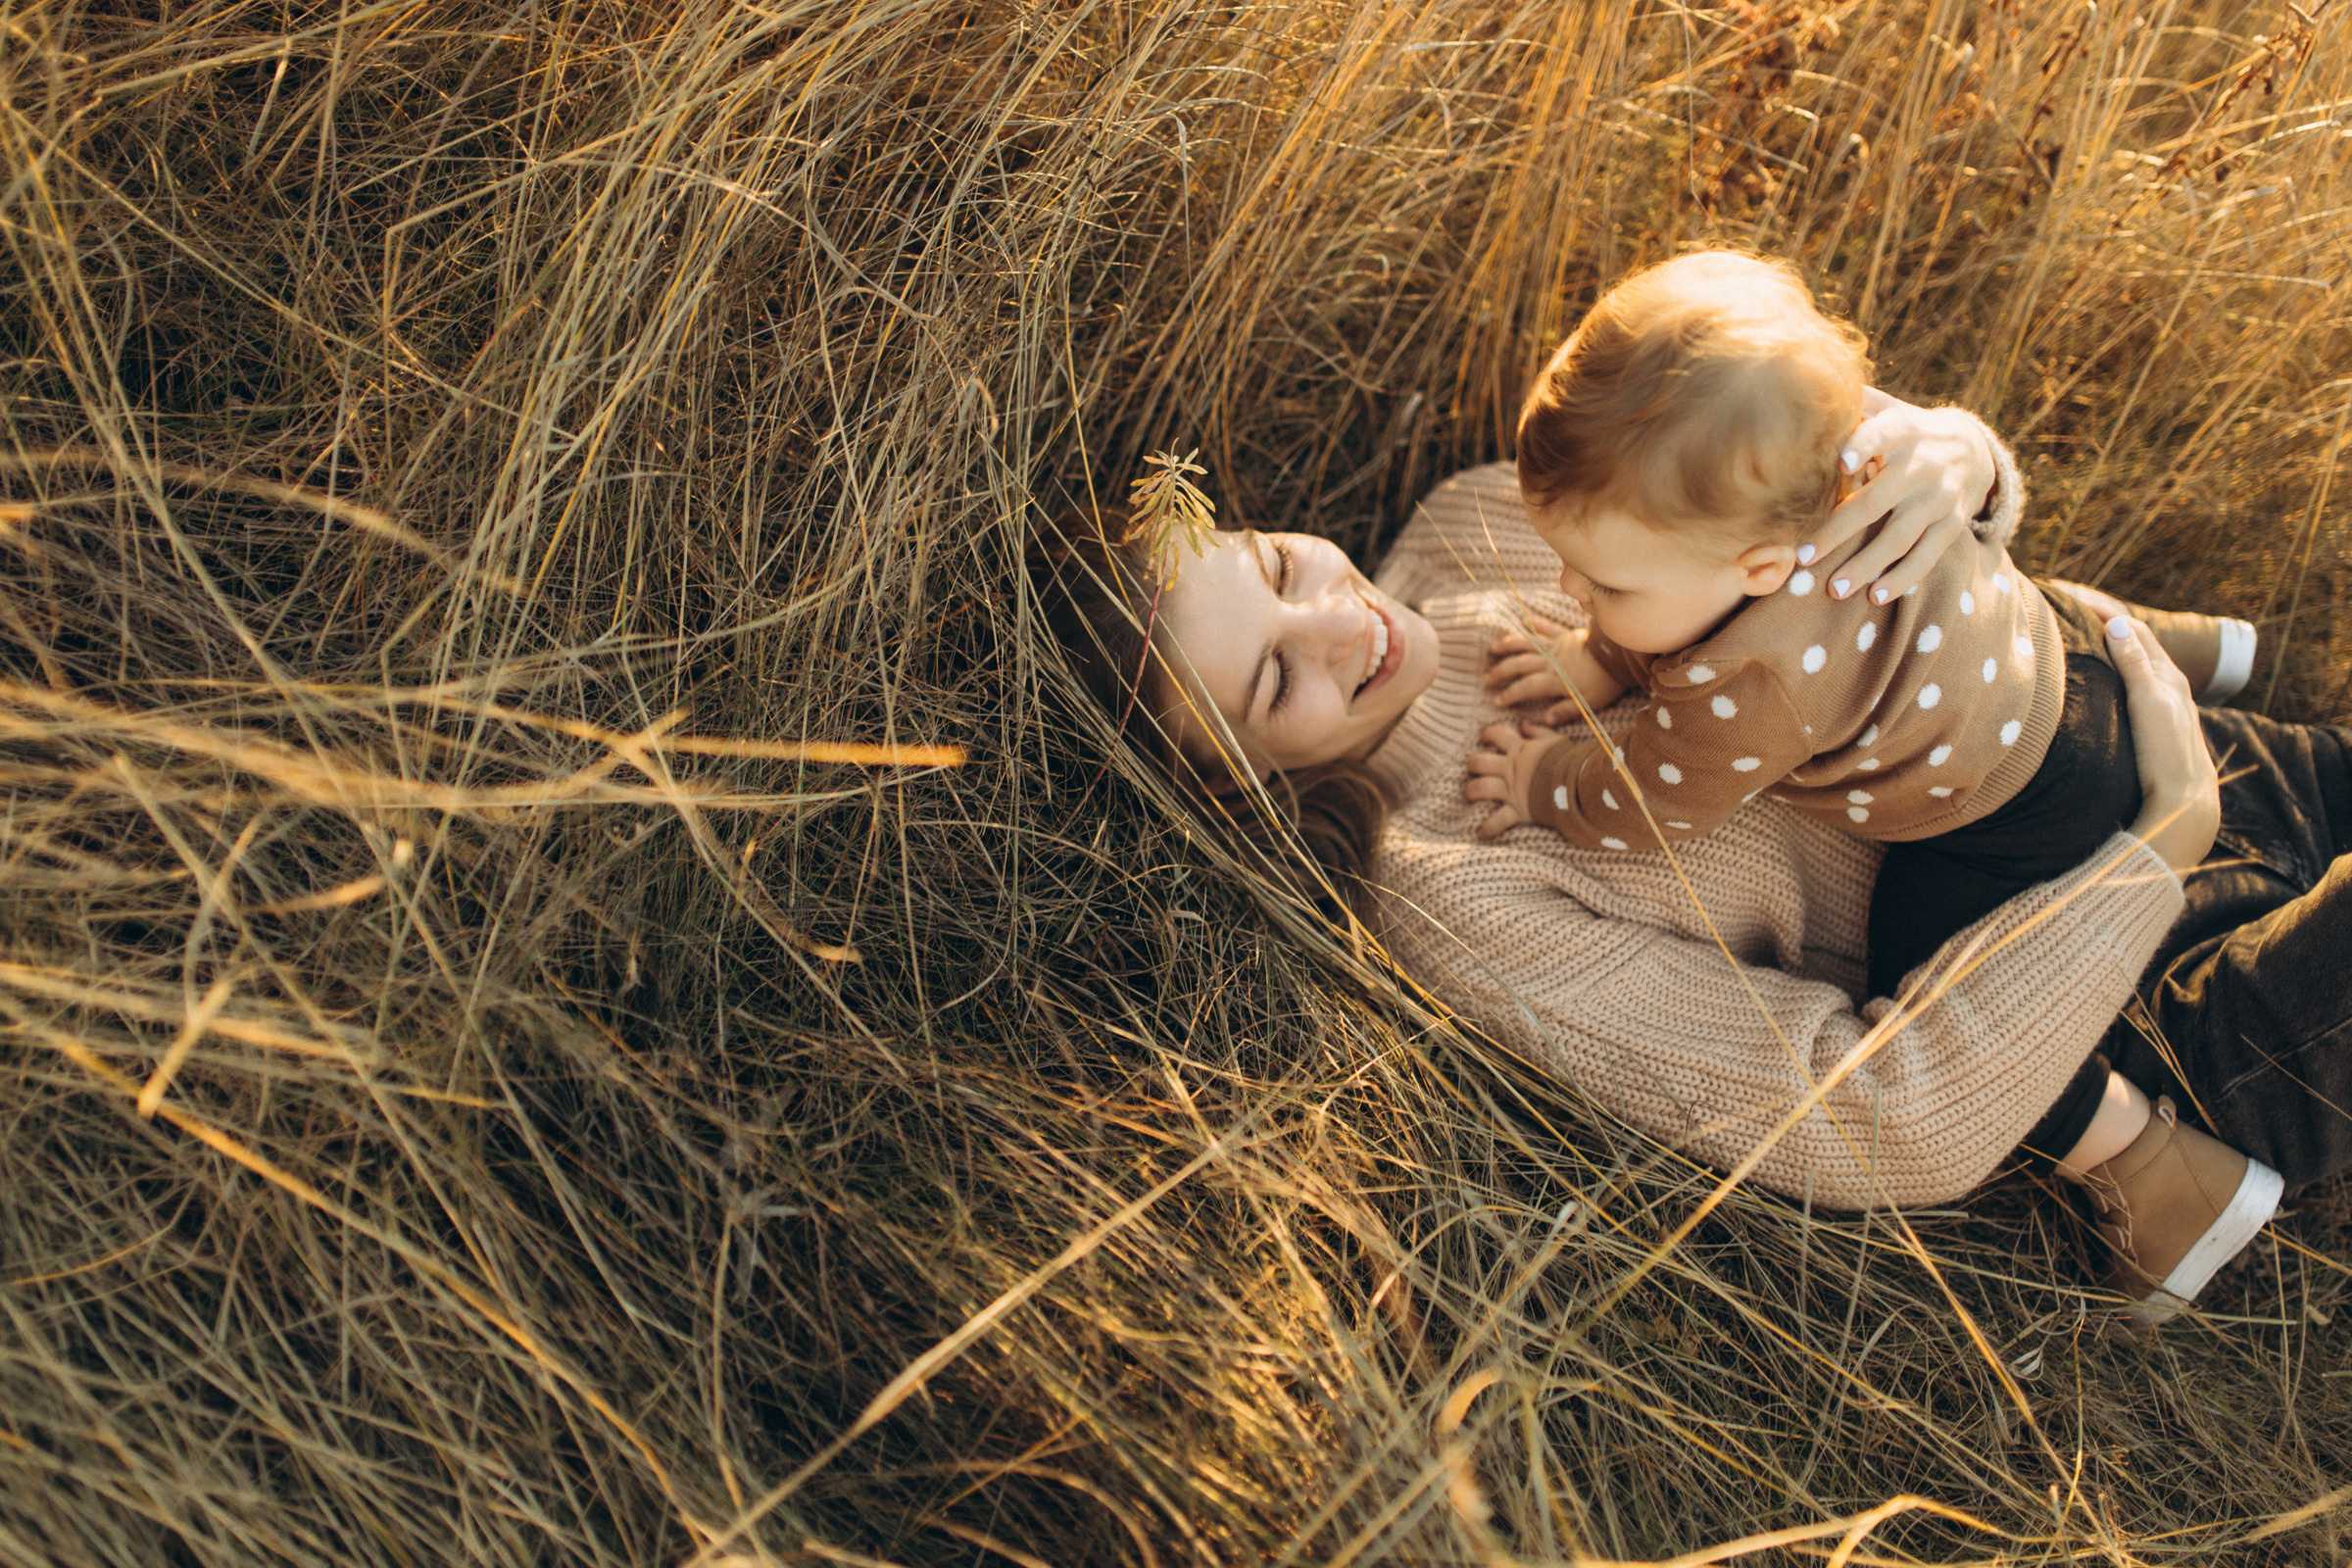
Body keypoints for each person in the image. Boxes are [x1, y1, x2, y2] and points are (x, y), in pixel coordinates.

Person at [1033, 394, 2350, 1323]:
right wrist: (2154, 854)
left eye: (1276, 564)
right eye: (1275, 680)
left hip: (2128, 746)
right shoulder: (1451, 891)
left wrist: (1952, 463)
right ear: (1247, 785)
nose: (1335, 623)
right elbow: (1882, 1124)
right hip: (2141, 1005)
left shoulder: (1476, 520)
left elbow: (1838, 556)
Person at [1453, 252, 2278, 1316]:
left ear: (1755, 571)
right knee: (2042, 614)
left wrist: (1544, 781)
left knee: (1927, 972)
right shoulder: (1831, 453)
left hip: (2015, 807)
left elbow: (1654, 799)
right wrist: (1607, 647)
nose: (1569, 589)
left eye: (1605, 584)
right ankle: (2200, 651)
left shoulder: (1748, 682)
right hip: (2042, 646)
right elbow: (1694, 591)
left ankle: (2158, 1175)